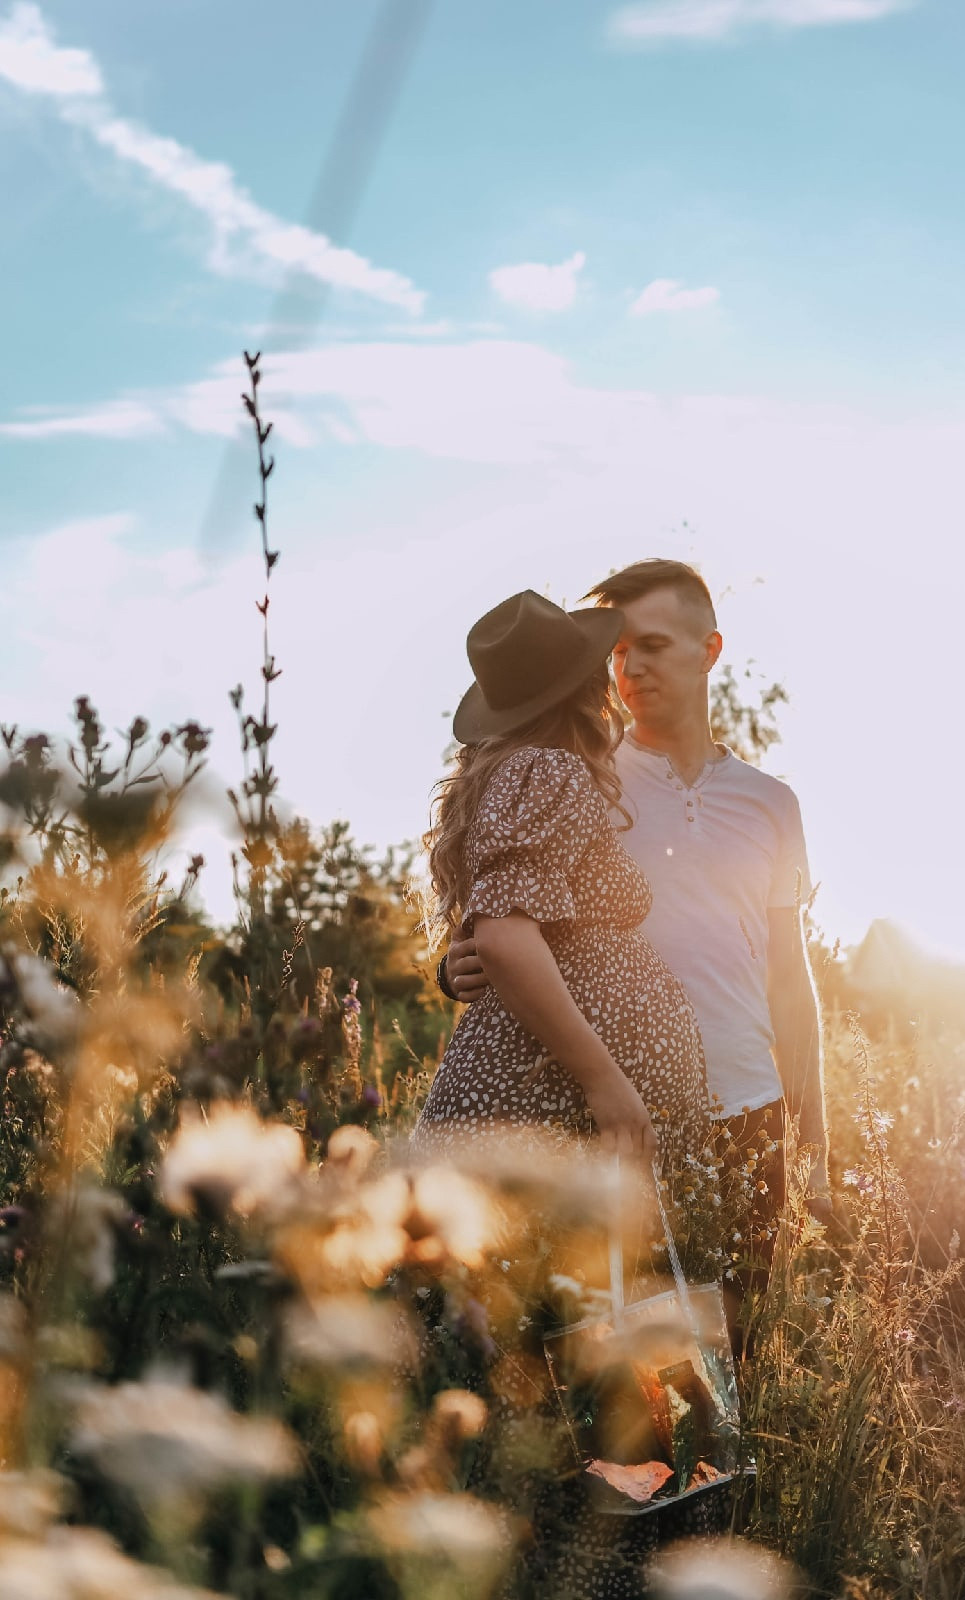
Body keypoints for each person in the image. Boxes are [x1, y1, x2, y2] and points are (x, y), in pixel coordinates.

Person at [414, 588, 715, 1597]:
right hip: (551, 1104)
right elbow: (503, 934)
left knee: (558, 1353)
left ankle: (577, 1556)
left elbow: (490, 933)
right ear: (577, 686)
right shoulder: (547, 769)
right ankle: (601, 1565)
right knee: (580, 1347)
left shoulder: (513, 770)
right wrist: (609, 1081)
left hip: (535, 1096)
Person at [441, 560, 828, 1344]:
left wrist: (814, 1139)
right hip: (619, 1123)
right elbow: (499, 915)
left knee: (732, 1372)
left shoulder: (771, 804)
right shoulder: (582, 771)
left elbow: (791, 976)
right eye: (618, 652)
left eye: (652, 645)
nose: (631, 667)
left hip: (746, 1113)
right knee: (619, 1390)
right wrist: (452, 965)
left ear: (709, 650)